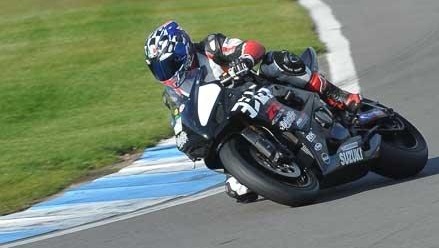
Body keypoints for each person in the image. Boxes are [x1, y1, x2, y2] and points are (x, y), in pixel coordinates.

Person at [144, 20, 361, 203]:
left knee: (276, 62)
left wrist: (244, 61)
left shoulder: (210, 48)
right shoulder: (172, 94)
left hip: (258, 90)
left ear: (183, 50)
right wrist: (186, 140)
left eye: (170, 64)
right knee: (238, 189)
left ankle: (337, 96)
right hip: (228, 122)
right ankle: (272, 166)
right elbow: (180, 122)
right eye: (160, 69)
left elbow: (252, 47)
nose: (167, 73)